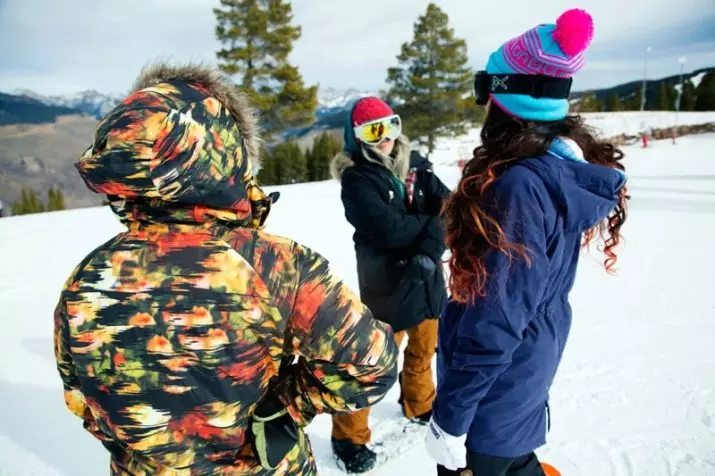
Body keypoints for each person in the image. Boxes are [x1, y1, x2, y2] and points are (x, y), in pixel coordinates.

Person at [53, 62, 398, 476]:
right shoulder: (277, 266)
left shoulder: (85, 280)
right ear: (224, 153)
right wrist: (286, 405)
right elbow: (373, 365)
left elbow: (79, 399)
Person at [425, 9, 628, 476]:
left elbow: (495, 319)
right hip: (522, 373)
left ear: (503, 99)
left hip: (491, 399)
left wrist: (451, 421)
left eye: (486, 88)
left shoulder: (517, 188)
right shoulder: (554, 171)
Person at [330, 97, 450, 473]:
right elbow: (389, 230)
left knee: (424, 350)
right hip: (388, 290)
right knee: (368, 365)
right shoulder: (357, 180)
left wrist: (429, 247)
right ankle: (348, 438)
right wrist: (432, 228)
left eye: (390, 127)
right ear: (358, 137)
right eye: (373, 131)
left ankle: (419, 403)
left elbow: (448, 208)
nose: (385, 139)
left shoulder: (417, 167)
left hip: (427, 280)